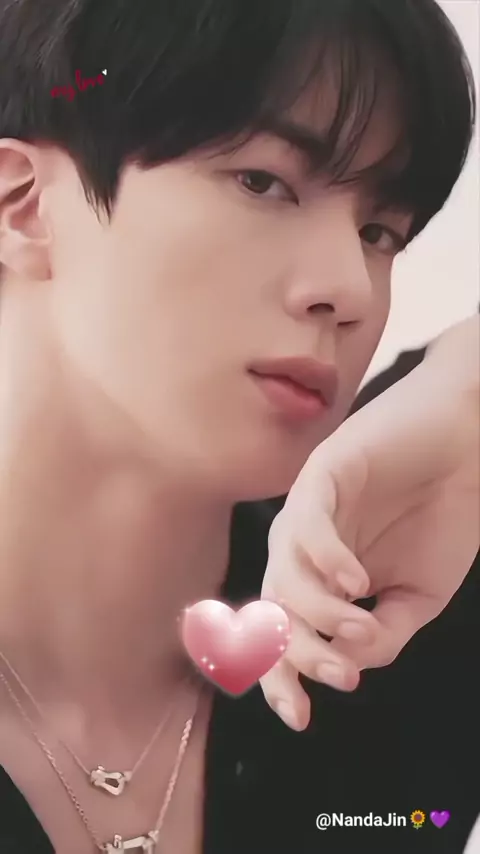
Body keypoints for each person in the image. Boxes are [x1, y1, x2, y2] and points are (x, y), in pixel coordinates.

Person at [0, 1, 476, 853]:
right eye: (263, 182)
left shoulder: (390, 601)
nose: (351, 289)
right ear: (22, 203)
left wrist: (469, 396)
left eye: (379, 232)